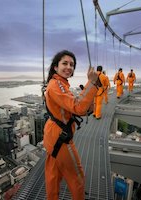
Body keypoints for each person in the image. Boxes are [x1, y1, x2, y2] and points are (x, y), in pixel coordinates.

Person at [43, 50, 100, 200]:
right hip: (61, 138)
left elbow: (75, 107)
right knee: (77, 177)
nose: (69, 67)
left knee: (53, 175)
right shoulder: (57, 85)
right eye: (65, 63)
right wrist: (92, 83)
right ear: (55, 67)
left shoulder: (59, 83)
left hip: (53, 135)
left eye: (72, 65)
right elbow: (79, 107)